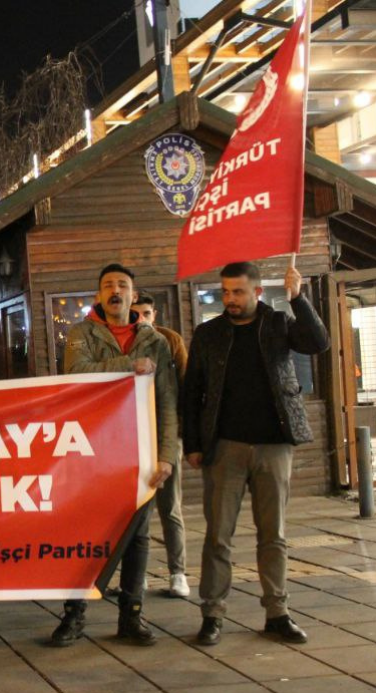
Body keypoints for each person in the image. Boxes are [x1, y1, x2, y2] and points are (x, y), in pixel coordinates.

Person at [184, 261, 329, 646]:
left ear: (258, 292)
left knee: (273, 535)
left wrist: (298, 299)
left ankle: (277, 613)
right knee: (218, 536)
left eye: (238, 292)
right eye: (225, 292)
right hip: (224, 447)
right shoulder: (209, 333)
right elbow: (192, 390)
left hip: (274, 445)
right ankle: (212, 614)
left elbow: (317, 342)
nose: (230, 299)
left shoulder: (278, 324)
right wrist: (192, 444)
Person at [49, 264, 177, 647]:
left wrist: (166, 455)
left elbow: (167, 401)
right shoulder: (82, 333)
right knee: (86, 532)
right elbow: (77, 373)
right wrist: (128, 366)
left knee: (138, 535)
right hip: (93, 450)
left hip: (140, 450)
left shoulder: (156, 342)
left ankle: (131, 616)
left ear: (133, 295)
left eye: (122, 285)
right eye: (108, 285)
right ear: (99, 295)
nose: (115, 291)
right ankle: (74, 615)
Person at [132, 292, 190, 599]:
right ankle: (136, 574)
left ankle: (177, 572)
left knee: (170, 507)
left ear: (154, 315)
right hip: (133, 435)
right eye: (136, 313)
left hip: (166, 433)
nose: (141, 319)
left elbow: (184, 386)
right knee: (136, 510)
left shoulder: (171, 341)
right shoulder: (125, 344)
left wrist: (179, 432)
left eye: (146, 313)